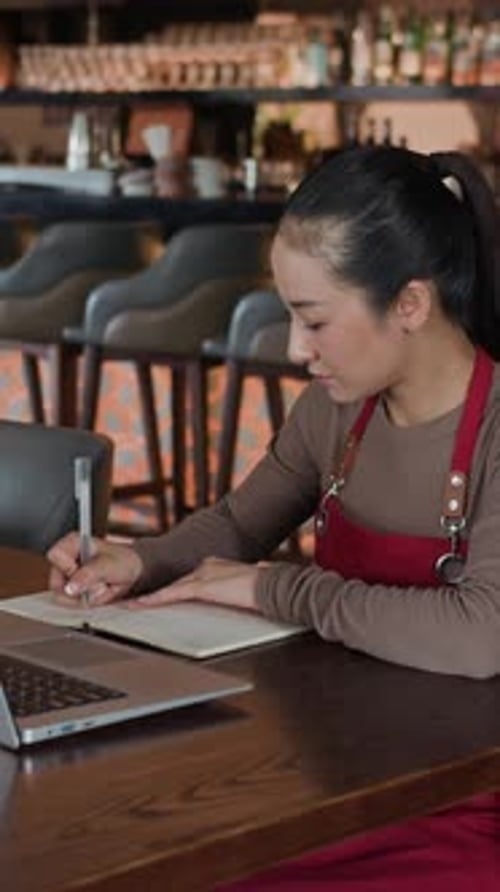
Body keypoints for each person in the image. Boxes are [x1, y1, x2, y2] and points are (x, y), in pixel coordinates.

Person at [48, 145, 500, 889]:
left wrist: (275, 590)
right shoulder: (335, 408)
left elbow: (482, 636)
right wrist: (141, 558)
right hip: (332, 779)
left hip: (457, 803)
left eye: (313, 321)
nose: (295, 350)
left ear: (411, 305)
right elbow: (235, 525)